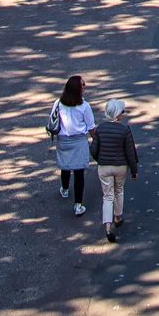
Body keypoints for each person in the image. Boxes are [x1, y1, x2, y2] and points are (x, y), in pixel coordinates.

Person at [90, 99, 139, 242]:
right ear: (117, 114)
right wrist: (134, 170)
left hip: (104, 166)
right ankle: (117, 217)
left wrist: (100, 160)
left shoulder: (100, 129)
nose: (123, 113)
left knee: (107, 195)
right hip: (121, 166)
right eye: (122, 111)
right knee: (118, 191)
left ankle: (107, 226)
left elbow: (93, 149)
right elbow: (130, 152)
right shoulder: (124, 130)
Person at [49, 75, 96, 214]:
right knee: (79, 173)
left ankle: (64, 189)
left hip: (63, 140)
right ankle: (78, 205)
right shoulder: (84, 106)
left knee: (65, 167)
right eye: (83, 84)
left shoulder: (58, 103)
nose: (85, 86)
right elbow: (91, 127)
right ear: (77, 89)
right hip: (79, 141)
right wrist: (97, 141)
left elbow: (53, 118)